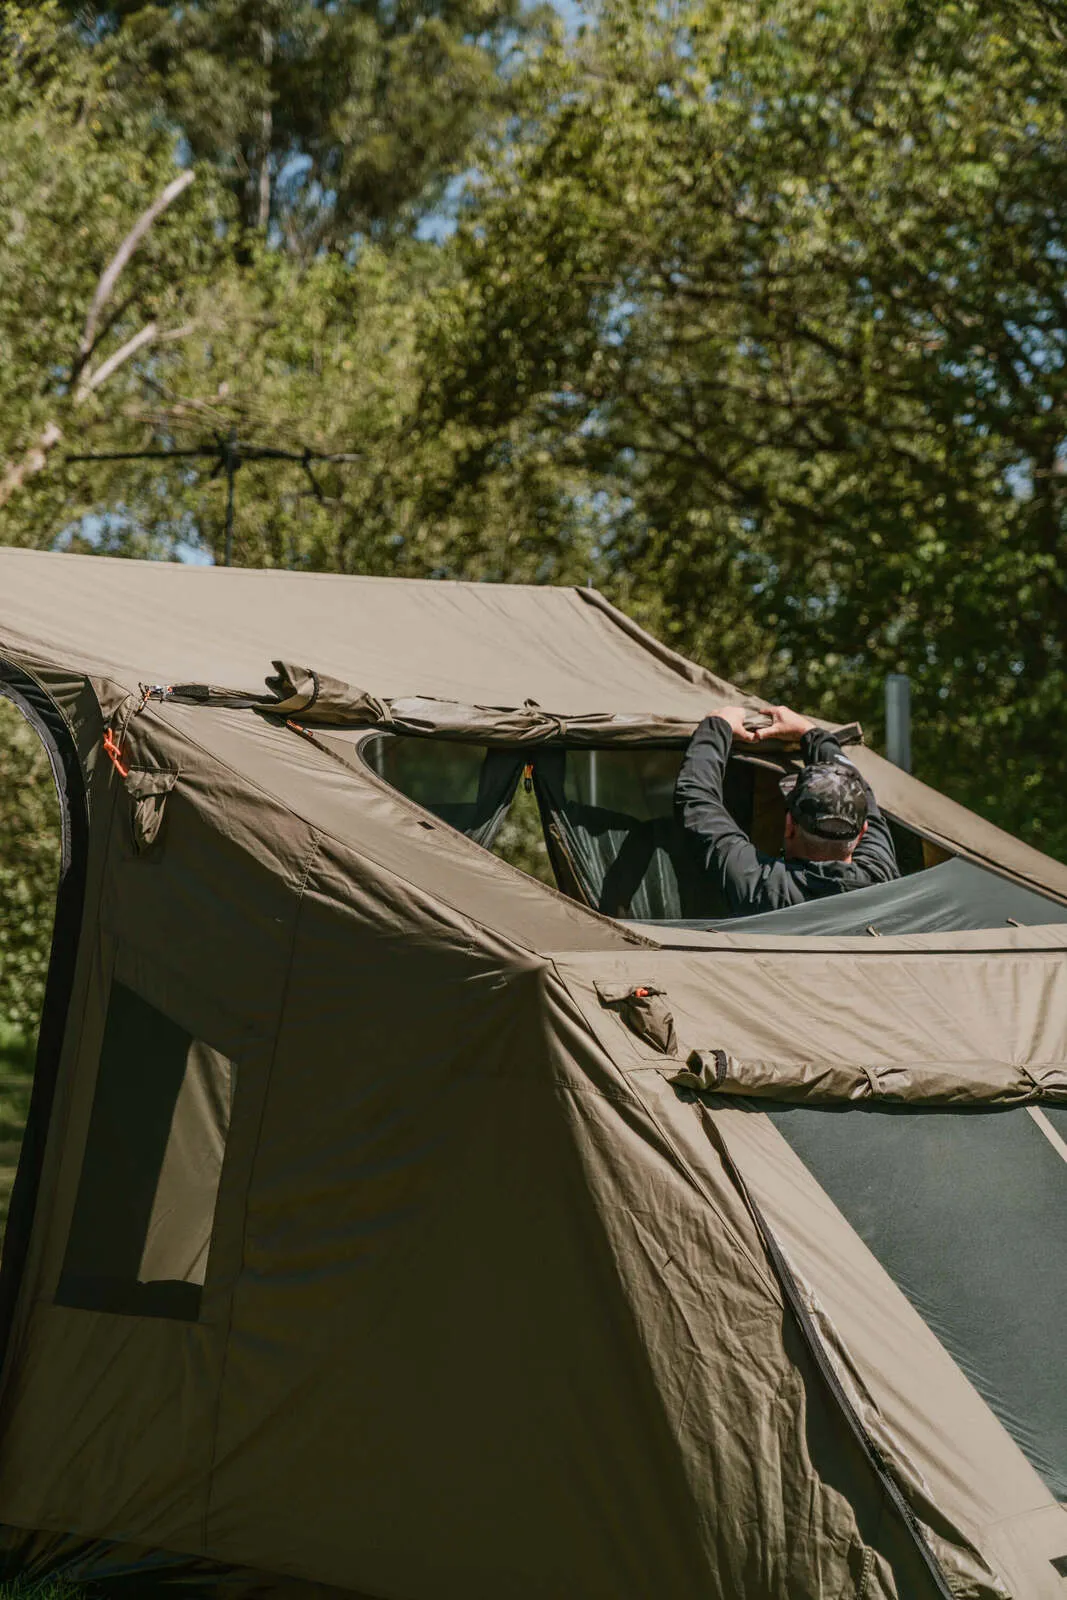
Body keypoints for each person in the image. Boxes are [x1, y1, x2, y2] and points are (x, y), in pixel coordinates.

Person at [675, 702, 899, 917]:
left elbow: (696, 799)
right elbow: (697, 800)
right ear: (862, 832)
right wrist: (812, 733)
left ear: (789, 825)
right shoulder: (880, 882)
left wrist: (716, 725)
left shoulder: (760, 886)